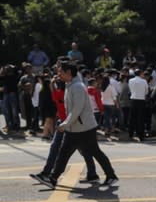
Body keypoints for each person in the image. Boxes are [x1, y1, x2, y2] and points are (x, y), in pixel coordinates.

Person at [37, 61, 117, 189]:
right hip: (75, 127)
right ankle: (53, 178)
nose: (58, 74)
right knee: (64, 153)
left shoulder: (77, 87)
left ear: (68, 72)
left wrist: (65, 123)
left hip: (84, 128)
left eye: (60, 71)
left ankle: (111, 175)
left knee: (94, 152)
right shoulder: (70, 85)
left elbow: (77, 109)